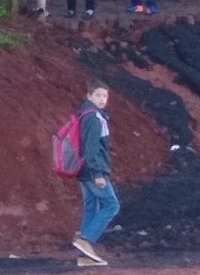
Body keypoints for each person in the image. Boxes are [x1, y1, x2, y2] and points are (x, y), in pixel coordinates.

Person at [71, 81, 119, 266]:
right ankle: (86, 240)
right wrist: (98, 173)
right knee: (112, 205)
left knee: (91, 206)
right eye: (98, 95)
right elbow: (91, 148)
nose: (102, 99)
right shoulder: (92, 117)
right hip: (92, 170)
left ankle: (85, 258)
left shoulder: (86, 114)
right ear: (89, 96)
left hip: (83, 169)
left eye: (105, 96)